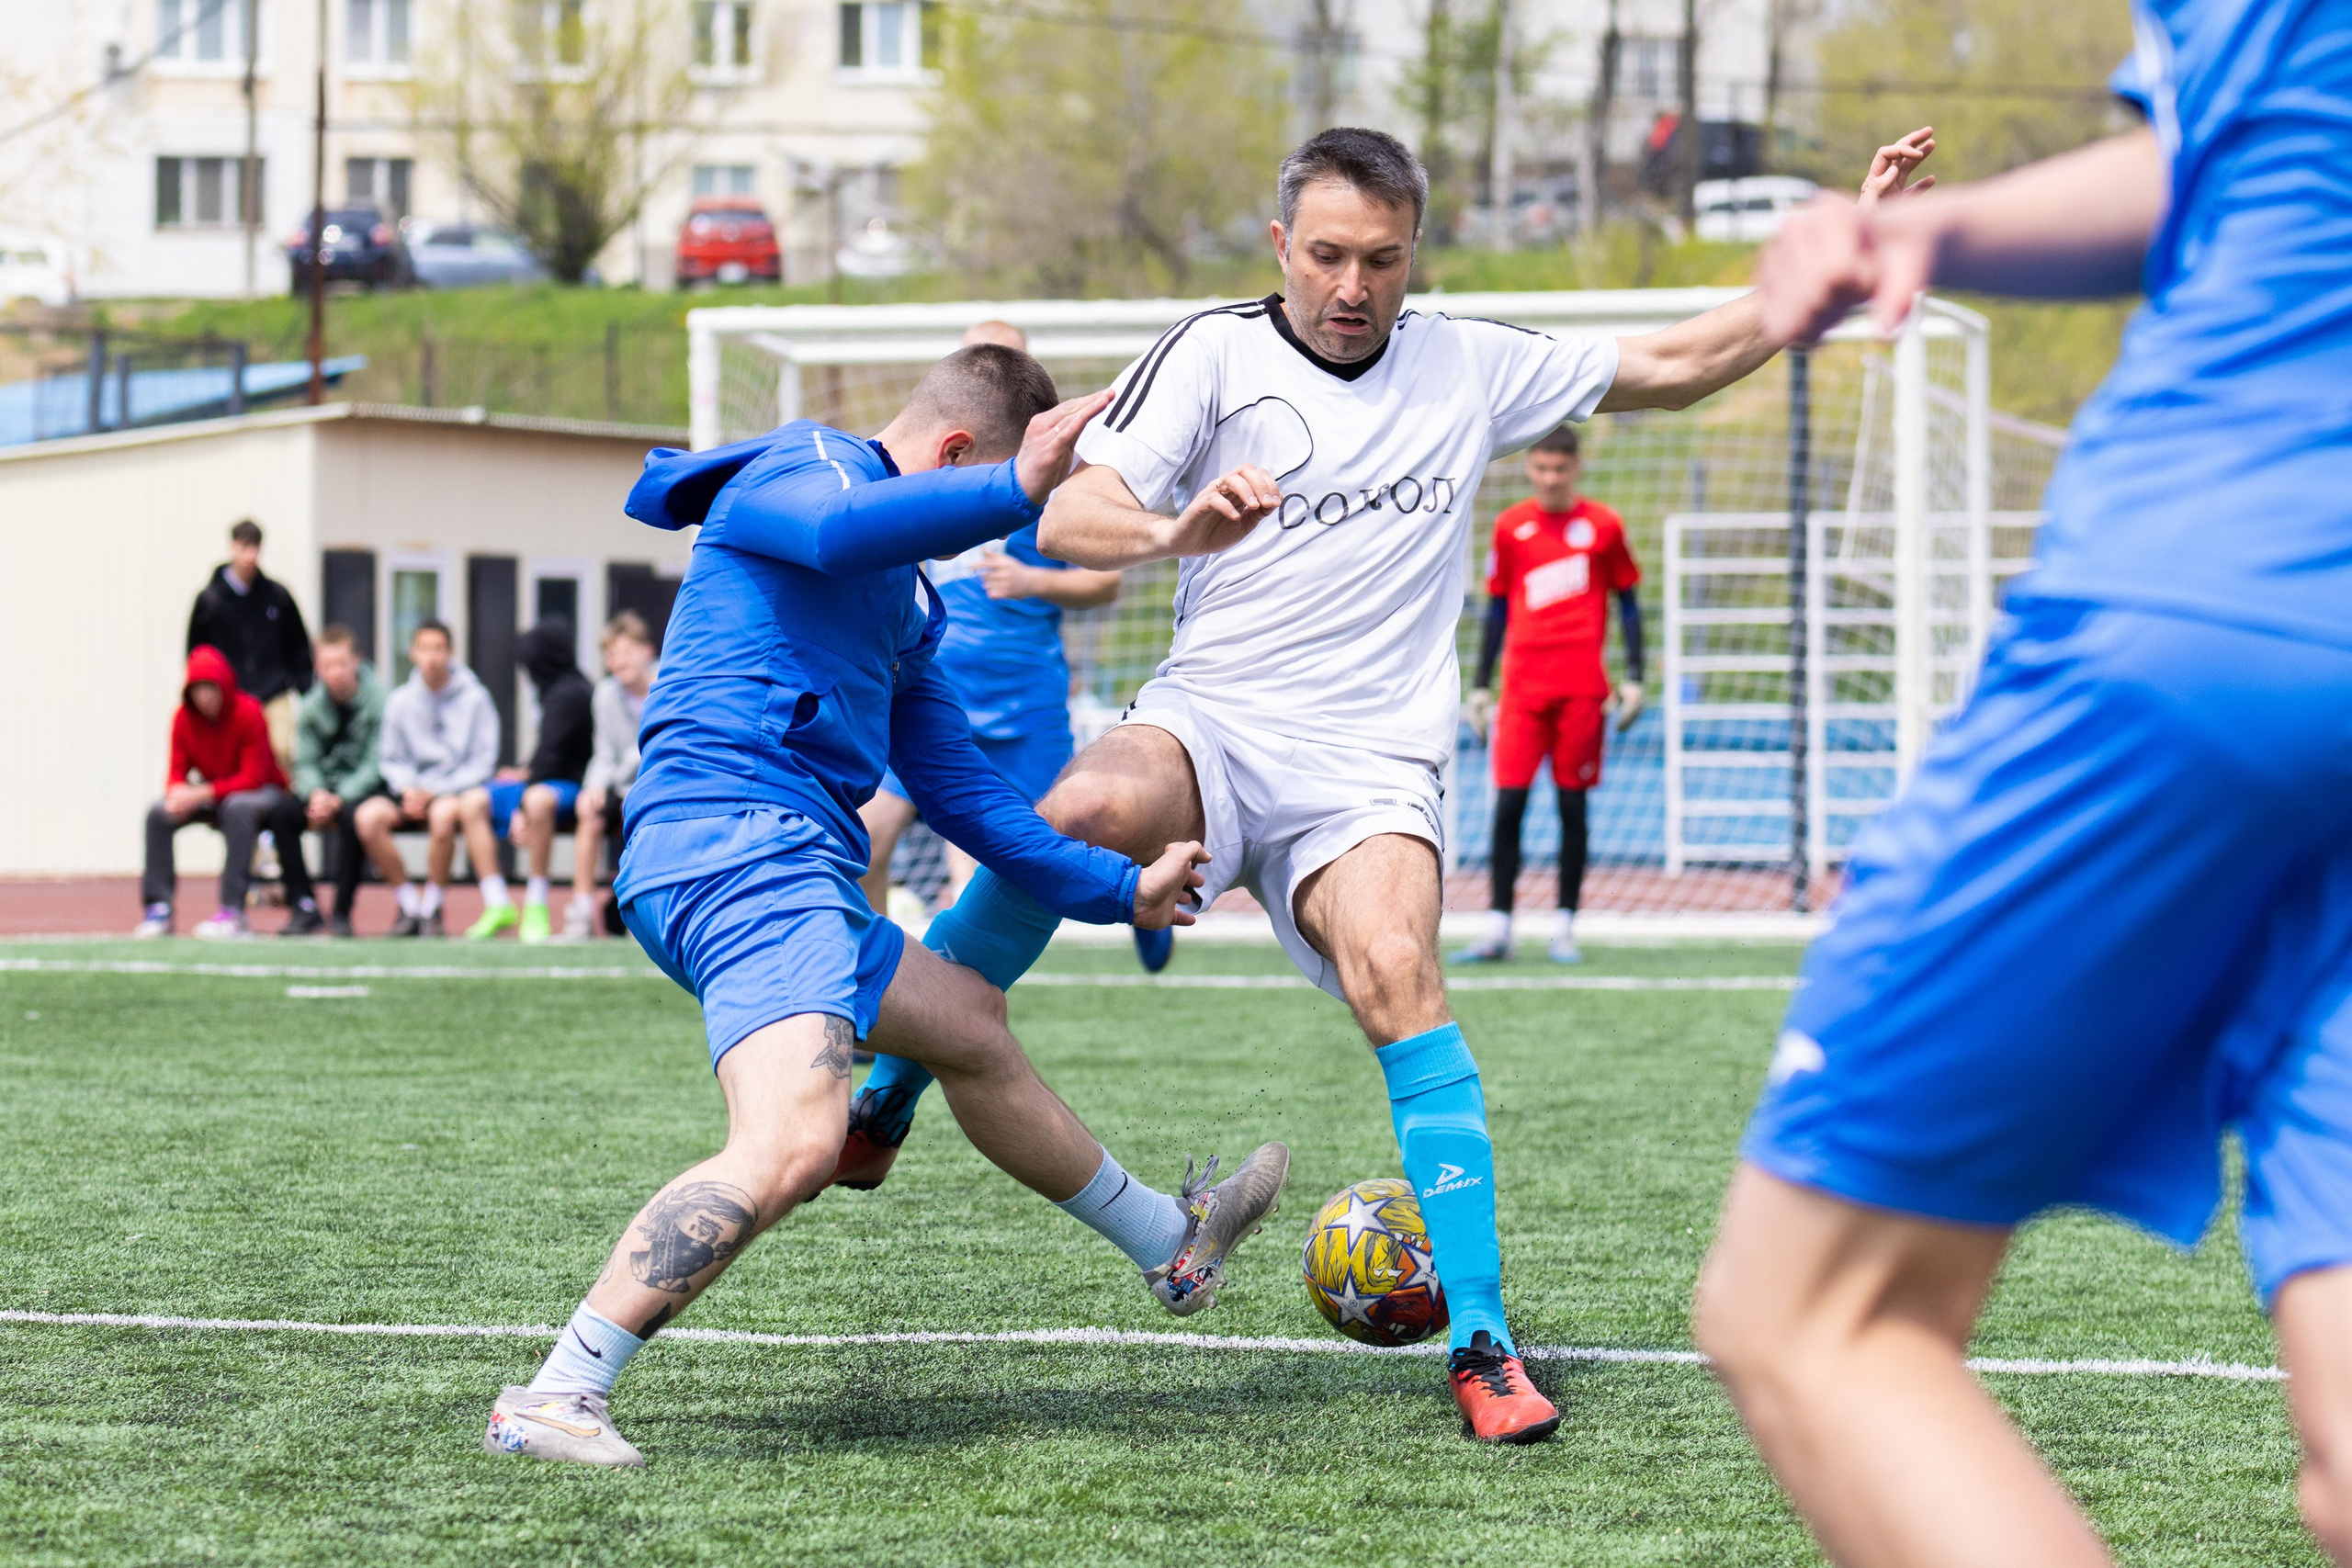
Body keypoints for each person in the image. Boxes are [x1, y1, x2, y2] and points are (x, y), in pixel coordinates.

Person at [844, 123, 1934, 1446]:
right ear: (1278, 245)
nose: (1351, 286)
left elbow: (1678, 362)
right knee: (1078, 812)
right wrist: (1175, 527)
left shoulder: (1467, 361)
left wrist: (1842, 254)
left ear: (1416, 253)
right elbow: (1071, 509)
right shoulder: (1212, 353)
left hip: (1369, 764)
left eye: (1382, 259)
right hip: (1215, 720)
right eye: (1326, 256)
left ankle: (1481, 1340)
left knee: (1399, 967)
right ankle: (890, 1090)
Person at [1693, 16, 2352, 1565]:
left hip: (2215, 608)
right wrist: (1936, 228)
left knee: (1815, 1309)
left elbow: (2247, 150)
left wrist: (1914, 229)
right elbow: (2232, 155)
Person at [481, 343, 1286, 1468]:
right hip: (737, 853)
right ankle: (556, 1394)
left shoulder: (908, 603)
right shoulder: (802, 468)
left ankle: (1172, 1244)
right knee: (792, 1142)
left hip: (784, 870)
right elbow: (834, 531)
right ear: (954, 456)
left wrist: (1122, 890)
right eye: (986, 491)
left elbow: (966, 794)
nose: (984, 532)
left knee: (968, 1025)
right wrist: (1019, 487)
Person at [858, 322, 1140, 953]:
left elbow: (1108, 581)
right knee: (870, 837)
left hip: (1024, 697)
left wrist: (1033, 582)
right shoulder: (925, 466)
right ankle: (882, 978)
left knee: (1064, 843)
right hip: (933, 694)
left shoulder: (1057, 477)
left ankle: (1141, 894)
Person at [1452, 423, 1645, 966]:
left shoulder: (1603, 526)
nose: (1550, 478)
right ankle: (1499, 929)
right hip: (1521, 692)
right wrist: (1482, 685)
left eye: (1560, 468)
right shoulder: (1511, 528)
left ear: (1575, 468)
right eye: (1541, 467)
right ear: (1529, 467)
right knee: (1508, 806)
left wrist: (1634, 676)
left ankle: (1564, 927)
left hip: (1582, 690)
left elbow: (1629, 603)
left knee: (1571, 806)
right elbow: (1498, 609)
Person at [135, 646, 317, 939]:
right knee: (158, 813)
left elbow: (253, 777)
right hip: (215, 793)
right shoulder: (183, 718)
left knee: (238, 808)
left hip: (264, 791)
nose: (205, 697)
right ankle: (159, 908)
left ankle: (232, 911)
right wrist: (176, 793)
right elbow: (176, 770)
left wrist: (200, 793)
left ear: (225, 686)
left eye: (211, 688)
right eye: (197, 689)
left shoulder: (250, 711)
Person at [354, 621, 500, 937]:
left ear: (450, 652)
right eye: (424, 649)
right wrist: (408, 789)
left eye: (438, 649)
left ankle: (432, 907)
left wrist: (435, 790)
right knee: (367, 819)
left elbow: (482, 762)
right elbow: (390, 758)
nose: (431, 657)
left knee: (444, 816)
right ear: (413, 653)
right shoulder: (399, 700)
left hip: (452, 791)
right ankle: (410, 906)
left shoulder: (476, 698)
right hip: (408, 791)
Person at [458, 618, 594, 943]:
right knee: (472, 801)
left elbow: (554, 759)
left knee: (536, 801)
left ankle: (536, 903)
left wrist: (520, 805)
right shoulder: (551, 692)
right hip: (542, 777)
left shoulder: (571, 694)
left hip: (570, 785)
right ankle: (497, 903)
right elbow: (545, 754)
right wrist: (523, 772)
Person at [187, 518, 313, 774]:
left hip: (273, 692)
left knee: (281, 753)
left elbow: (298, 643)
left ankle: (282, 800)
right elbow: (198, 653)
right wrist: (202, 692)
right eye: (244, 547)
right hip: (231, 698)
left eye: (255, 547)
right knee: (232, 762)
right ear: (232, 547)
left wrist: (304, 686)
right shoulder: (211, 601)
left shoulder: (276, 596)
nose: (250, 555)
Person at [288, 624, 387, 937]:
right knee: (281, 814)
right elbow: (305, 763)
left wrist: (339, 798)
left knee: (352, 816)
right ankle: (304, 905)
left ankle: (342, 912)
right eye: (328, 665)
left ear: (356, 660)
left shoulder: (380, 701)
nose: (335, 673)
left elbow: (376, 763)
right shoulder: (309, 707)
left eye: (341, 664)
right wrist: (316, 793)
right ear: (318, 667)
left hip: (363, 789)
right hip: (323, 790)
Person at [567, 611, 658, 939]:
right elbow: (604, 752)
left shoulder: (667, 684)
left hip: (658, 783)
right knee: (588, 811)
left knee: (637, 810)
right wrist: (593, 786)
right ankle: (580, 912)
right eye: (611, 655)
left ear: (646, 651)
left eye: (625, 652)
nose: (617, 661)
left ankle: (644, 911)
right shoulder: (605, 693)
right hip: (621, 784)